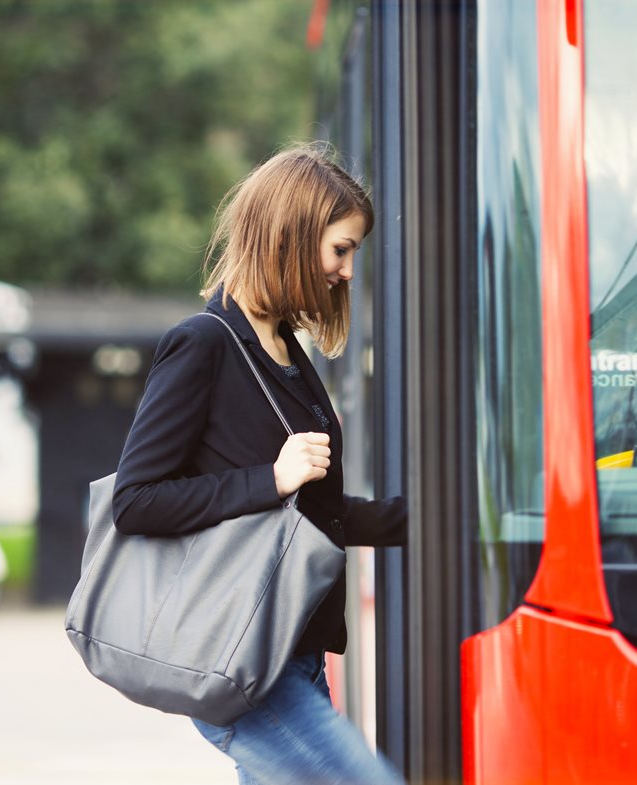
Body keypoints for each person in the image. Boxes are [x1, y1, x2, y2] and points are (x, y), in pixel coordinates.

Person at [111, 143, 407, 785]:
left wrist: (425, 519)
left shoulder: (287, 351)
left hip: (291, 654)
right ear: (292, 236)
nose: (349, 271)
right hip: (241, 657)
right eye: (341, 249)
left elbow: (314, 514)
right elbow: (135, 502)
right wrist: (268, 478)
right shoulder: (204, 344)